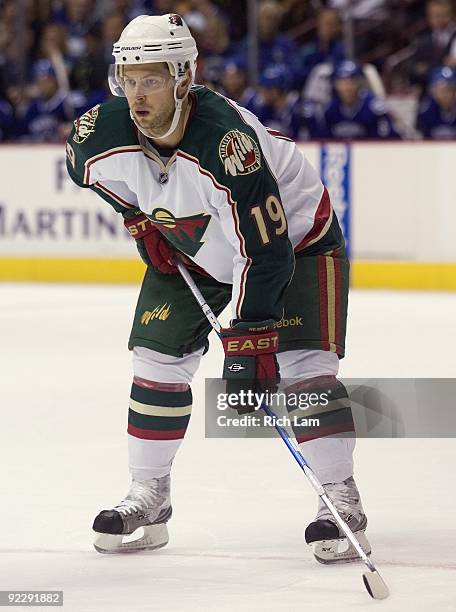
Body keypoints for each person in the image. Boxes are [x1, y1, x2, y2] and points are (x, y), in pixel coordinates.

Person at [66, 13, 369, 564]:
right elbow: (80, 166)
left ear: (183, 77)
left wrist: (253, 337)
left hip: (295, 240)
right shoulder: (99, 132)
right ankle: (150, 497)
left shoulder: (227, 143)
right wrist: (137, 218)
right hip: (198, 239)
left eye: (151, 79)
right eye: (128, 79)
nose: (137, 94)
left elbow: (267, 251)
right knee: (155, 359)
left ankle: (340, 500)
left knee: (303, 367)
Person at [322, 60, 400, 139]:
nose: (347, 88)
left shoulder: (373, 107)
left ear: (359, 83)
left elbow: (390, 140)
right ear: (336, 84)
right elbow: (322, 141)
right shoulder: (330, 109)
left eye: (351, 82)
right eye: (342, 83)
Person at [417, 66, 456, 138]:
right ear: (433, 91)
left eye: (449, 89)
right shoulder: (426, 112)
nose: (445, 94)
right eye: (440, 90)